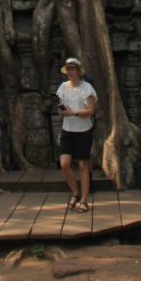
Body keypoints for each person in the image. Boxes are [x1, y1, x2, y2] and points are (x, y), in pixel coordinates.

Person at [56, 56, 97, 214]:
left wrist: (74, 113)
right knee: (65, 163)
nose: (70, 72)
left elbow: (91, 111)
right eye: (68, 70)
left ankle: (84, 200)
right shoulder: (63, 87)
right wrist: (62, 111)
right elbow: (61, 106)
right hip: (68, 130)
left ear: (79, 72)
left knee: (83, 165)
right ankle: (75, 192)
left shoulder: (87, 89)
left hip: (83, 131)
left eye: (73, 69)